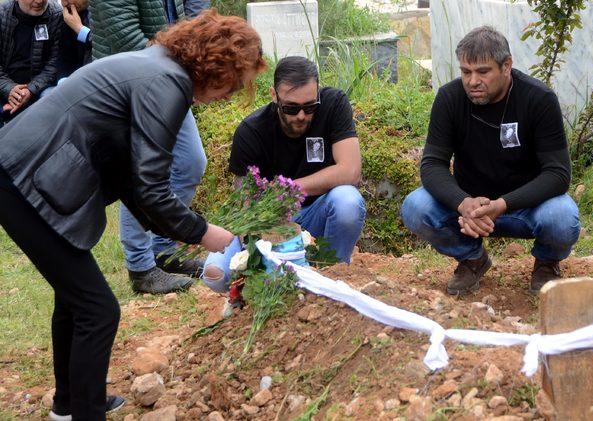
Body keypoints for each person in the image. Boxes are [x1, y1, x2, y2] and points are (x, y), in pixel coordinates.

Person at [0, 11, 265, 419]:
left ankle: (69, 405)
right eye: (235, 83)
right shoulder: (168, 82)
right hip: (23, 181)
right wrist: (202, 231)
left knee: (75, 301)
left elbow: (130, 178)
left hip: (20, 173)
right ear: (218, 67)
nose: (230, 95)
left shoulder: (155, 65)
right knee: (98, 309)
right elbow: (152, 187)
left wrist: (178, 226)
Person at [401, 26, 580, 295]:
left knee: (562, 216)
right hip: (470, 209)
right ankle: (472, 259)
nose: (472, 81)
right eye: (465, 72)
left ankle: (546, 263)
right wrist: (462, 202)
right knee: (416, 206)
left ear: (506, 65)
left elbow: (558, 174)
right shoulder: (449, 99)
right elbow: (432, 164)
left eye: (483, 72)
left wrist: (502, 205)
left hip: (527, 208)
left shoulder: (538, 99)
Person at [201, 56, 366, 291]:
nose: (301, 115)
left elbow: (350, 171)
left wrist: (286, 188)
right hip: (266, 221)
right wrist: (271, 240)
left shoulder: (334, 104)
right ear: (273, 95)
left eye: (310, 106)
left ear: (318, 92)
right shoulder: (251, 132)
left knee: (348, 201)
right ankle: (259, 290)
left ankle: (330, 275)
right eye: (291, 107)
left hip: (316, 212)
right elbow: (245, 206)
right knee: (215, 275)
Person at [90, 0, 211, 293]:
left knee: (191, 162)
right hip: (132, 83)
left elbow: (187, 22)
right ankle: (141, 266)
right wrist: (181, 75)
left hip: (169, 75)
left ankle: (165, 249)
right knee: (140, 173)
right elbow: (124, 36)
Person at [0, 0, 62, 125]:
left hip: (38, 88)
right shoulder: (2, 15)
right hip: (4, 86)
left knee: (52, 99)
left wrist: (30, 90)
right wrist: (9, 89)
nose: (39, 1)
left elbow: (55, 63)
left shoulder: (57, 15)